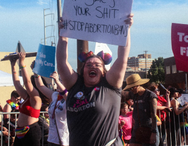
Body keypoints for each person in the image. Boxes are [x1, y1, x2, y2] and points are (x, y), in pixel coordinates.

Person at [56, 14, 133, 146]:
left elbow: (122, 59)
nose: (93, 66)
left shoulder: (110, 86)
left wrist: (126, 30)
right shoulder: (75, 85)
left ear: (103, 71)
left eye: (97, 65)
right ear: (83, 70)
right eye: (89, 65)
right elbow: (62, 63)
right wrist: (63, 36)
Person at [9, 52, 49, 146]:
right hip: (20, 131)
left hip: (31, 130)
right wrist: (13, 65)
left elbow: (27, 83)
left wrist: (22, 63)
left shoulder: (36, 98)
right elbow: (17, 83)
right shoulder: (27, 97)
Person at [35, 71, 69, 146]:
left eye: (61, 80)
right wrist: (36, 73)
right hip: (52, 139)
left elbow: (66, 94)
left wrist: (56, 80)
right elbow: (40, 86)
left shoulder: (70, 97)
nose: (59, 82)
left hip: (64, 140)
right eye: (59, 79)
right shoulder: (55, 95)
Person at [123, 74, 158, 146]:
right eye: (129, 89)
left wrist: (154, 132)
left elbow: (154, 115)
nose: (131, 90)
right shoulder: (134, 94)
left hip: (149, 128)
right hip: (137, 129)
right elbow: (121, 94)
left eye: (132, 88)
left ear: (138, 85)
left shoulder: (150, 96)